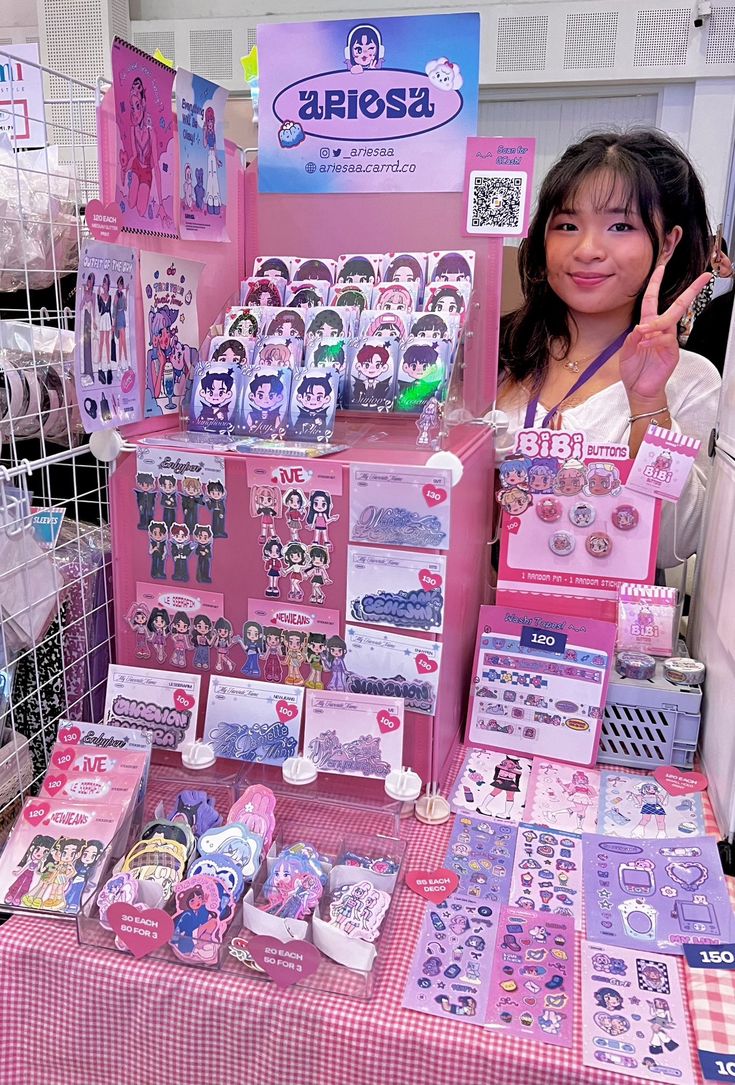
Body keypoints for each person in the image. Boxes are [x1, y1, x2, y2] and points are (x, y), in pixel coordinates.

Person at [497, 130, 720, 568]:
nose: (587, 250)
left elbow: (673, 544)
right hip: (477, 620)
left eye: (621, 226)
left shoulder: (690, 379)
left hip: (596, 628)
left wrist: (649, 403)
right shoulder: (499, 353)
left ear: (668, 242)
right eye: (567, 225)